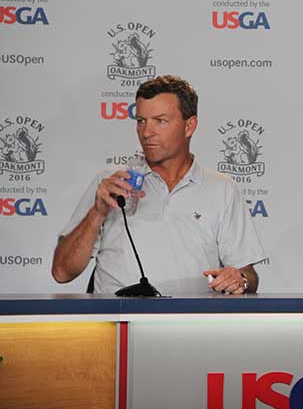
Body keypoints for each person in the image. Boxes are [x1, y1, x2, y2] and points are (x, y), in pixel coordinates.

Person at [52, 75, 265, 295]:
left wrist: (239, 280)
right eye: (141, 121)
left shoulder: (223, 189)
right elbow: (62, 272)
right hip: (118, 323)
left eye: (160, 121)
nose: (146, 132)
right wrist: (97, 213)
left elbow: (247, 274)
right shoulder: (111, 184)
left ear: (189, 126)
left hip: (191, 324)